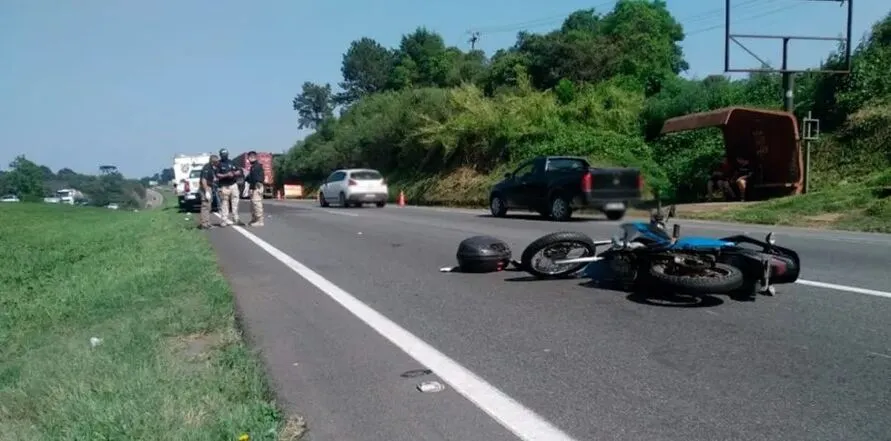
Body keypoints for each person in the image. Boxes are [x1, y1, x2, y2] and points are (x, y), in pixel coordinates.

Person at [216, 148, 243, 226]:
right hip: (224, 186)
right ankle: (224, 220)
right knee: (224, 203)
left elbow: (239, 171)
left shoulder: (232, 162)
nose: (224, 156)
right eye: (223, 154)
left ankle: (236, 218)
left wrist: (234, 173)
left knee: (235, 202)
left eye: (225, 154)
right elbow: (217, 175)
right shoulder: (219, 164)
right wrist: (226, 175)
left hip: (233, 184)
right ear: (221, 155)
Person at [198, 155, 220, 229]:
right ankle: (204, 224)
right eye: (216, 162)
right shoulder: (207, 168)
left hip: (209, 187)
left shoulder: (211, 168)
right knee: (205, 205)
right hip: (205, 188)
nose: (217, 163)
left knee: (208, 206)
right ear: (212, 161)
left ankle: (207, 222)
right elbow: (203, 180)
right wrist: (206, 191)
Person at [245, 151, 266, 226]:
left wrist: (254, 188)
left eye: (250, 157)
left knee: (257, 204)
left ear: (254, 157)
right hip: (253, 187)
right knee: (253, 205)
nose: (249, 159)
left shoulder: (257, 166)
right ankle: (254, 219)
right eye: (249, 157)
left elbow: (257, 179)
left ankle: (260, 221)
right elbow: (250, 178)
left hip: (257, 187)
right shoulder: (253, 166)